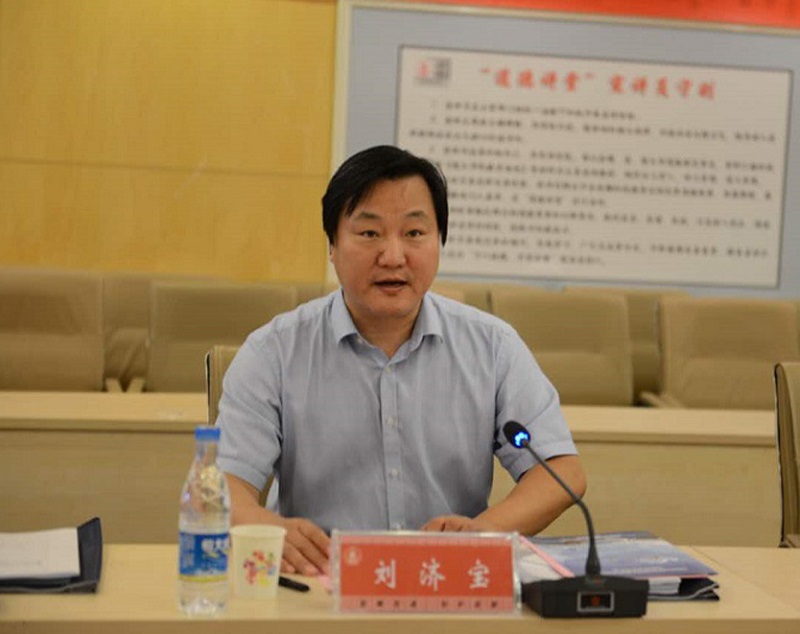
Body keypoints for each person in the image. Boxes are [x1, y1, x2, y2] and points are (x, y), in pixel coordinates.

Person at [216, 145, 586, 577]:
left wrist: (483, 533)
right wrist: (265, 527)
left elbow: (561, 471)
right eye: (369, 233)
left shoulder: (492, 346)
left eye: (414, 233)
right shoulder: (273, 353)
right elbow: (221, 486)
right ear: (332, 246)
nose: (393, 256)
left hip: (448, 581)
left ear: (438, 242)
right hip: (321, 583)